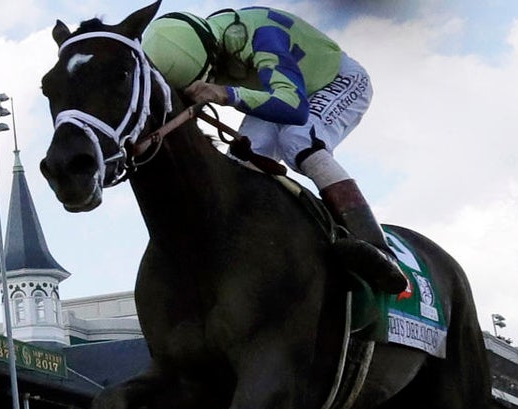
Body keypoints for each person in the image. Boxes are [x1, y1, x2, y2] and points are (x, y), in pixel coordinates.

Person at [141, 7, 407, 294]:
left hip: (334, 82)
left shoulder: (264, 38)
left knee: (299, 140)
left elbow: (293, 107)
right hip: (279, 87)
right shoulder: (203, 43)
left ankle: (378, 249)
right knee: (240, 162)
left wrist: (227, 93)